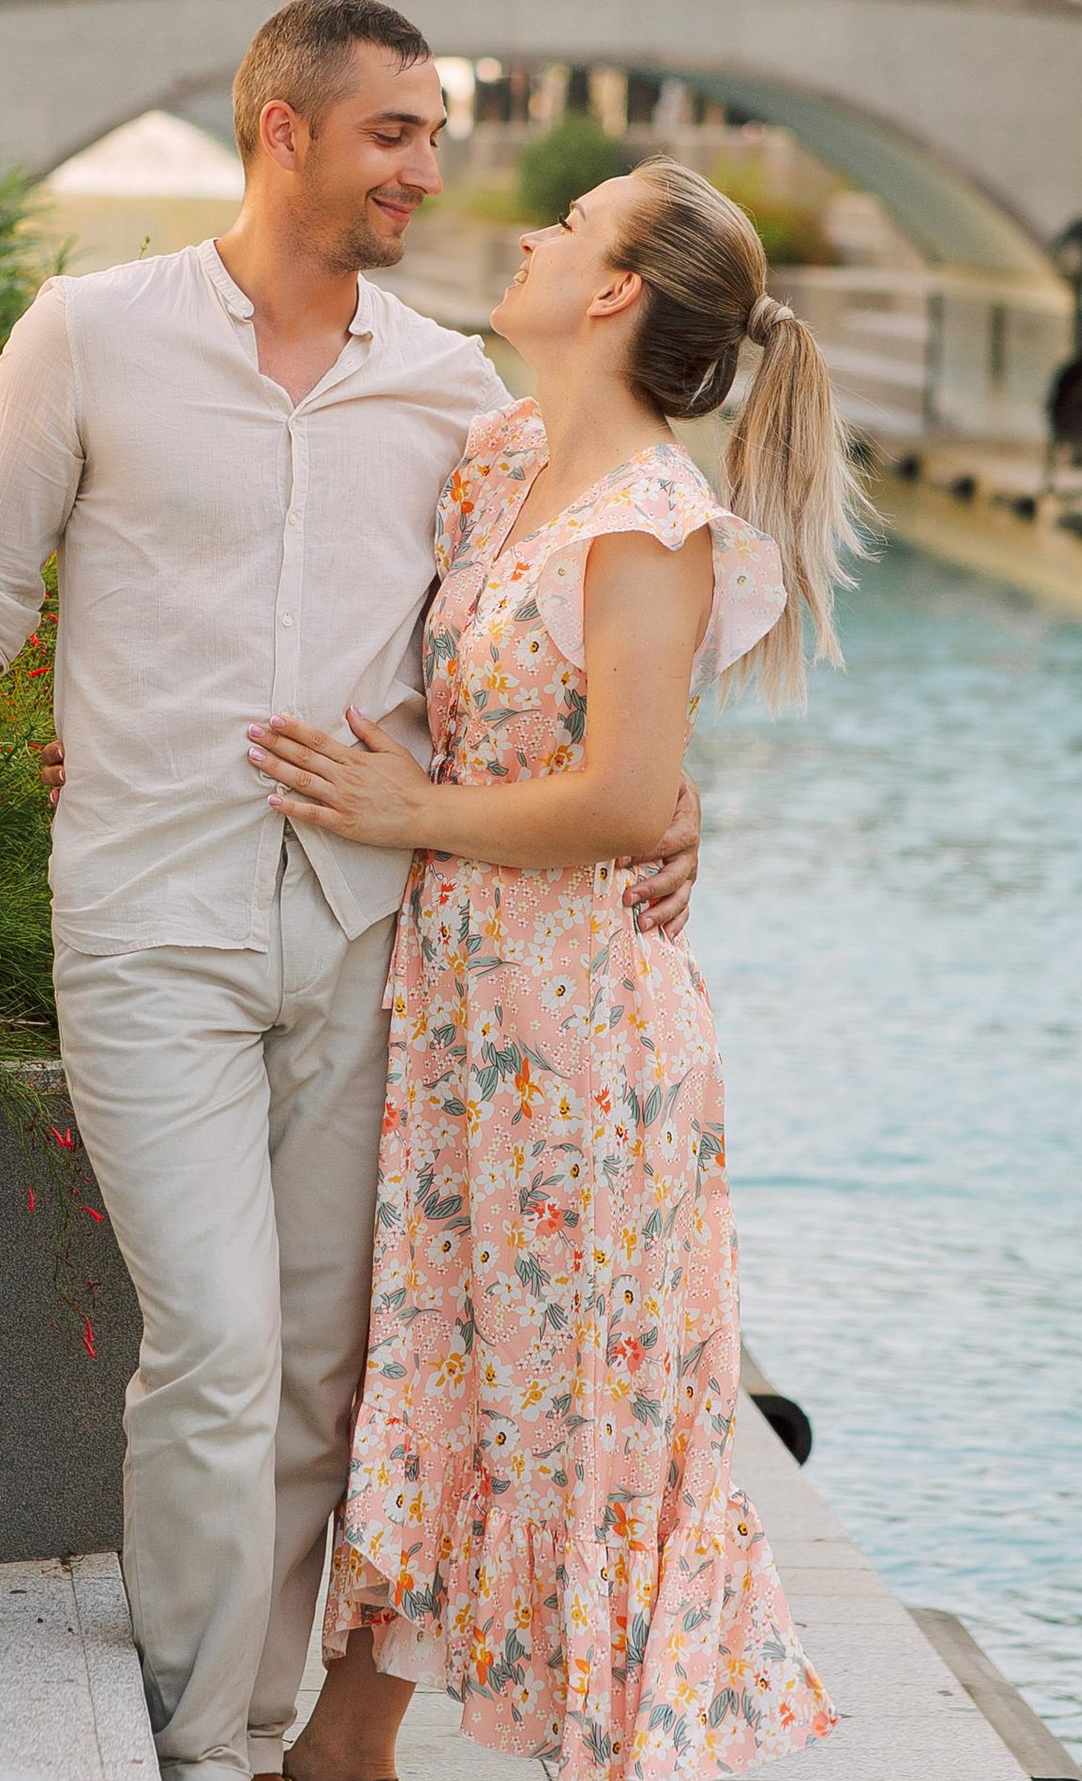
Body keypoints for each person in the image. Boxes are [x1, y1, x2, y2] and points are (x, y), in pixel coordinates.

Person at [0, 0, 703, 1779]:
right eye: (394, 129)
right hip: (152, 917)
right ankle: (198, 1736)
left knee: (324, 1367)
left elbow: (538, 625)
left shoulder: (456, 391)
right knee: (223, 1345)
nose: (427, 164)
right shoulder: (89, 335)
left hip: (374, 933)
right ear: (282, 129)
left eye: (435, 131)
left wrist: (667, 789)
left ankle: (258, 1724)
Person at [259, 161, 863, 1779]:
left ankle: (579, 1751)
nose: (528, 236)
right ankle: (346, 1750)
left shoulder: (654, 529)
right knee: (452, 1381)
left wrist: (419, 809)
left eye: (567, 225)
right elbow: (636, 784)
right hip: (469, 1024)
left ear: (611, 296)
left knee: (577, 1422)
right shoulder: (498, 459)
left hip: (583, 1047)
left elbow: (614, 797)